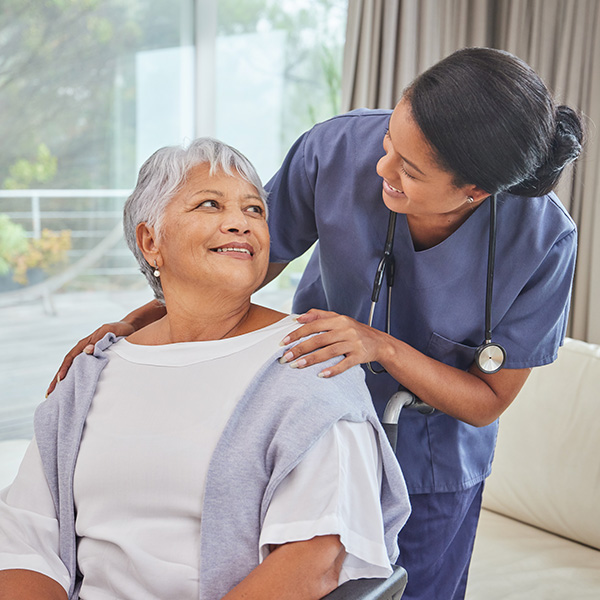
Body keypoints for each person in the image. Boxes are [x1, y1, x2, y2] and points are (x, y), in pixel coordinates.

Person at [46, 48, 585, 600]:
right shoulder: (336, 151)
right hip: (303, 420)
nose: (382, 168)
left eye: (410, 170)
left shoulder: (543, 243)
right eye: (389, 142)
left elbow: (487, 399)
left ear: (474, 192)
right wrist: (141, 322)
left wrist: (381, 347)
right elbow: (232, 263)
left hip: (429, 460)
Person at [0, 138, 411, 600]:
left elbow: (314, 559)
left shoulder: (309, 360)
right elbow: (25, 541)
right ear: (150, 241)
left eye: (255, 210)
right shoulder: (91, 374)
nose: (240, 223)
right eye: (210, 204)